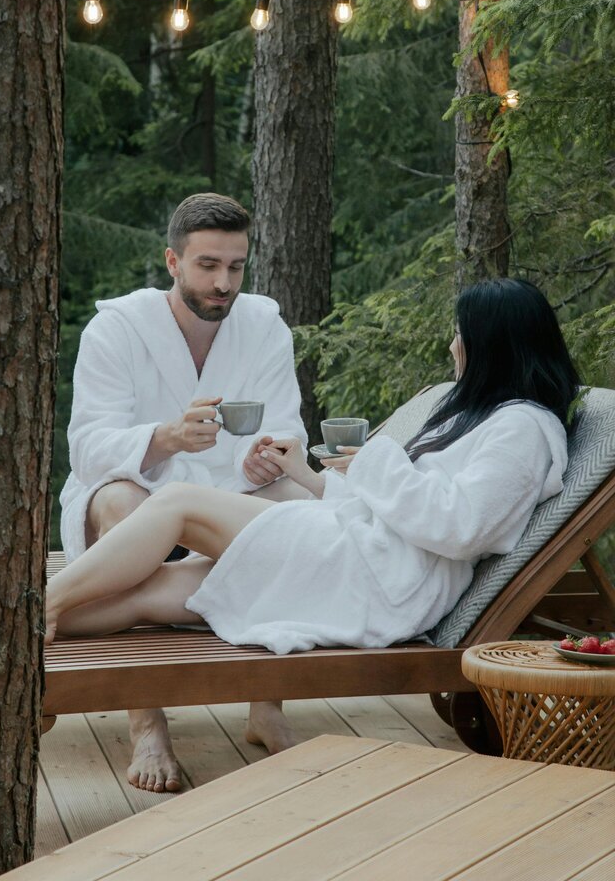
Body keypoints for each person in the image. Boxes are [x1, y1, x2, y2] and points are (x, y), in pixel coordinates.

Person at [47, 278, 580, 743]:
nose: (453, 344)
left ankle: (43, 602)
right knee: (144, 594)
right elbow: (407, 506)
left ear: (493, 344)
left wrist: (378, 457)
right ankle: (24, 629)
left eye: (462, 333)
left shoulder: (523, 431)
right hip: (365, 555)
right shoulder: (493, 418)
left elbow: (459, 528)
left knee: (179, 504)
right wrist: (306, 473)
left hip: (381, 576)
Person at [59, 192, 308, 792]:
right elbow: (86, 446)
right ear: (172, 261)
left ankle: (266, 705)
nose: (224, 283)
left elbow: (290, 430)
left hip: (228, 495)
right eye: (207, 266)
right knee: (121, 503)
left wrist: (262, 463)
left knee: (297, 514)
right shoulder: (116, 329)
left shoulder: (263, 326)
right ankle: (146, 721)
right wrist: (164, 439)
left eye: (235, 267)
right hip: (133, 490)